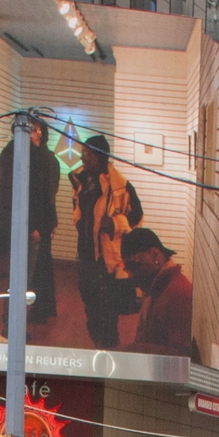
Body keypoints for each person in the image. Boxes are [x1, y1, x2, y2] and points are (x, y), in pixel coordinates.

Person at [74, 134, 141, 348]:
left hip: (106, 259)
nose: (84, 158)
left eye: (89, 155)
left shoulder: (120, 185)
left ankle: (108, 351)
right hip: (85, 255)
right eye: (83, 153)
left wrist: (114, 224)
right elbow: (78, 208)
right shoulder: (82, 180)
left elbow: (136, 215)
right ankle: (99, 345)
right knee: (91, 305)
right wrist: (77, 220)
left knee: (108, 310)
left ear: (101, 157)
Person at [0, 111, 61, 315]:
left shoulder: (40, 159)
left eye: (36, 130)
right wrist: (34, 225)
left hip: (33, 225)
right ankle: (17, 319)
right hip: (30, 226)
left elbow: (45, 194)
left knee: (33, 272)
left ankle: (35, 313)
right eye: (31, 130)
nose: (34, 134)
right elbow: (36, 196)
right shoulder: (26, 158)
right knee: (24, 275)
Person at [123, 228, 194, 356]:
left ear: (155, 255)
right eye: (127, 268)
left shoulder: (179, 294)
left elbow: (181, 359)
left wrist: (132, 350)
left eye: (134, 265)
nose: (130, 276)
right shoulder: (159, 287)